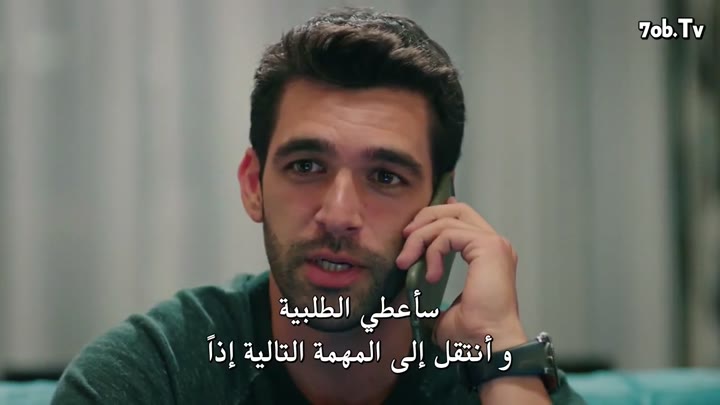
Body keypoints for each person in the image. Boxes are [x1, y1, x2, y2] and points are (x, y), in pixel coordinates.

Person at [51, 7, 586, 404]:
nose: (338, 215)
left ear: (440, 204)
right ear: (254, 184)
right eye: (307, 166)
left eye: (385, 176)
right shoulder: (152, 375)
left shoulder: (501, 378)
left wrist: (500, 359)